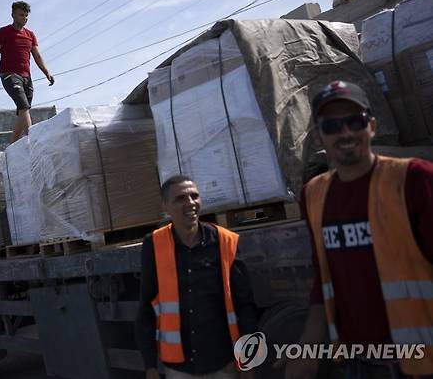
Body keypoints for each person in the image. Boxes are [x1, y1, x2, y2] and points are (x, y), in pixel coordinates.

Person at [286, 80, 433, 379]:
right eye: (332, 126)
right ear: (318, 137)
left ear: (373, 126)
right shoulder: (313, 195)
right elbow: (322, 279)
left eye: (355, 121)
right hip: (357, 363)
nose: (346, 133)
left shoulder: (414, 179)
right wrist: (307, 348)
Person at [136, 175, 257, 379]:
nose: (190, 203)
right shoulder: (154, 244)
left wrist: (249, 360)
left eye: (194, 196)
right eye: (181, 198)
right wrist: (150, 366)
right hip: (179, 368)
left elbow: (244, 306)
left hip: (222, 362)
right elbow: (146, 308)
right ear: (165, 206)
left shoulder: (225, 242)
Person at [0, 0, 54, 142]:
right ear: (13, 15)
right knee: (24, 108)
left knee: (22, 112)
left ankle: (12, 148)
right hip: (9, 75)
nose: (24, 18)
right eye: (21, 15)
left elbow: (37, 55)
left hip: (27, 77)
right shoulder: (3, 32)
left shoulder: (30, 35)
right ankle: (32, 141)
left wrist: (47, 72)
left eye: (26, 16)